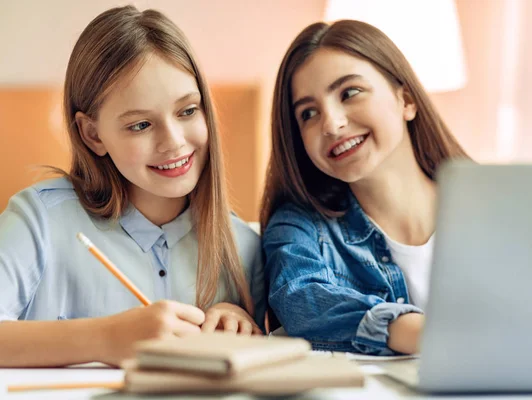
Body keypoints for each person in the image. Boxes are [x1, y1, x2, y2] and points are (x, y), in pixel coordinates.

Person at [0, 5, 265, 367]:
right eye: (140, 125)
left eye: (187, 111)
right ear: (93, 135)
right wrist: (106, 339)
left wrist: (241, 329)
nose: (173, 142)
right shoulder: (39, 220)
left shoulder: (244, 249)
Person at [261, 20, 469, 355]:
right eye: (309, 113)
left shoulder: (494, 206)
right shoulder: (296, 228)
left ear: (407, 100)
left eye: (349, 93)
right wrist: (422, 332)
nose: (331, 123)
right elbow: (300, 298)